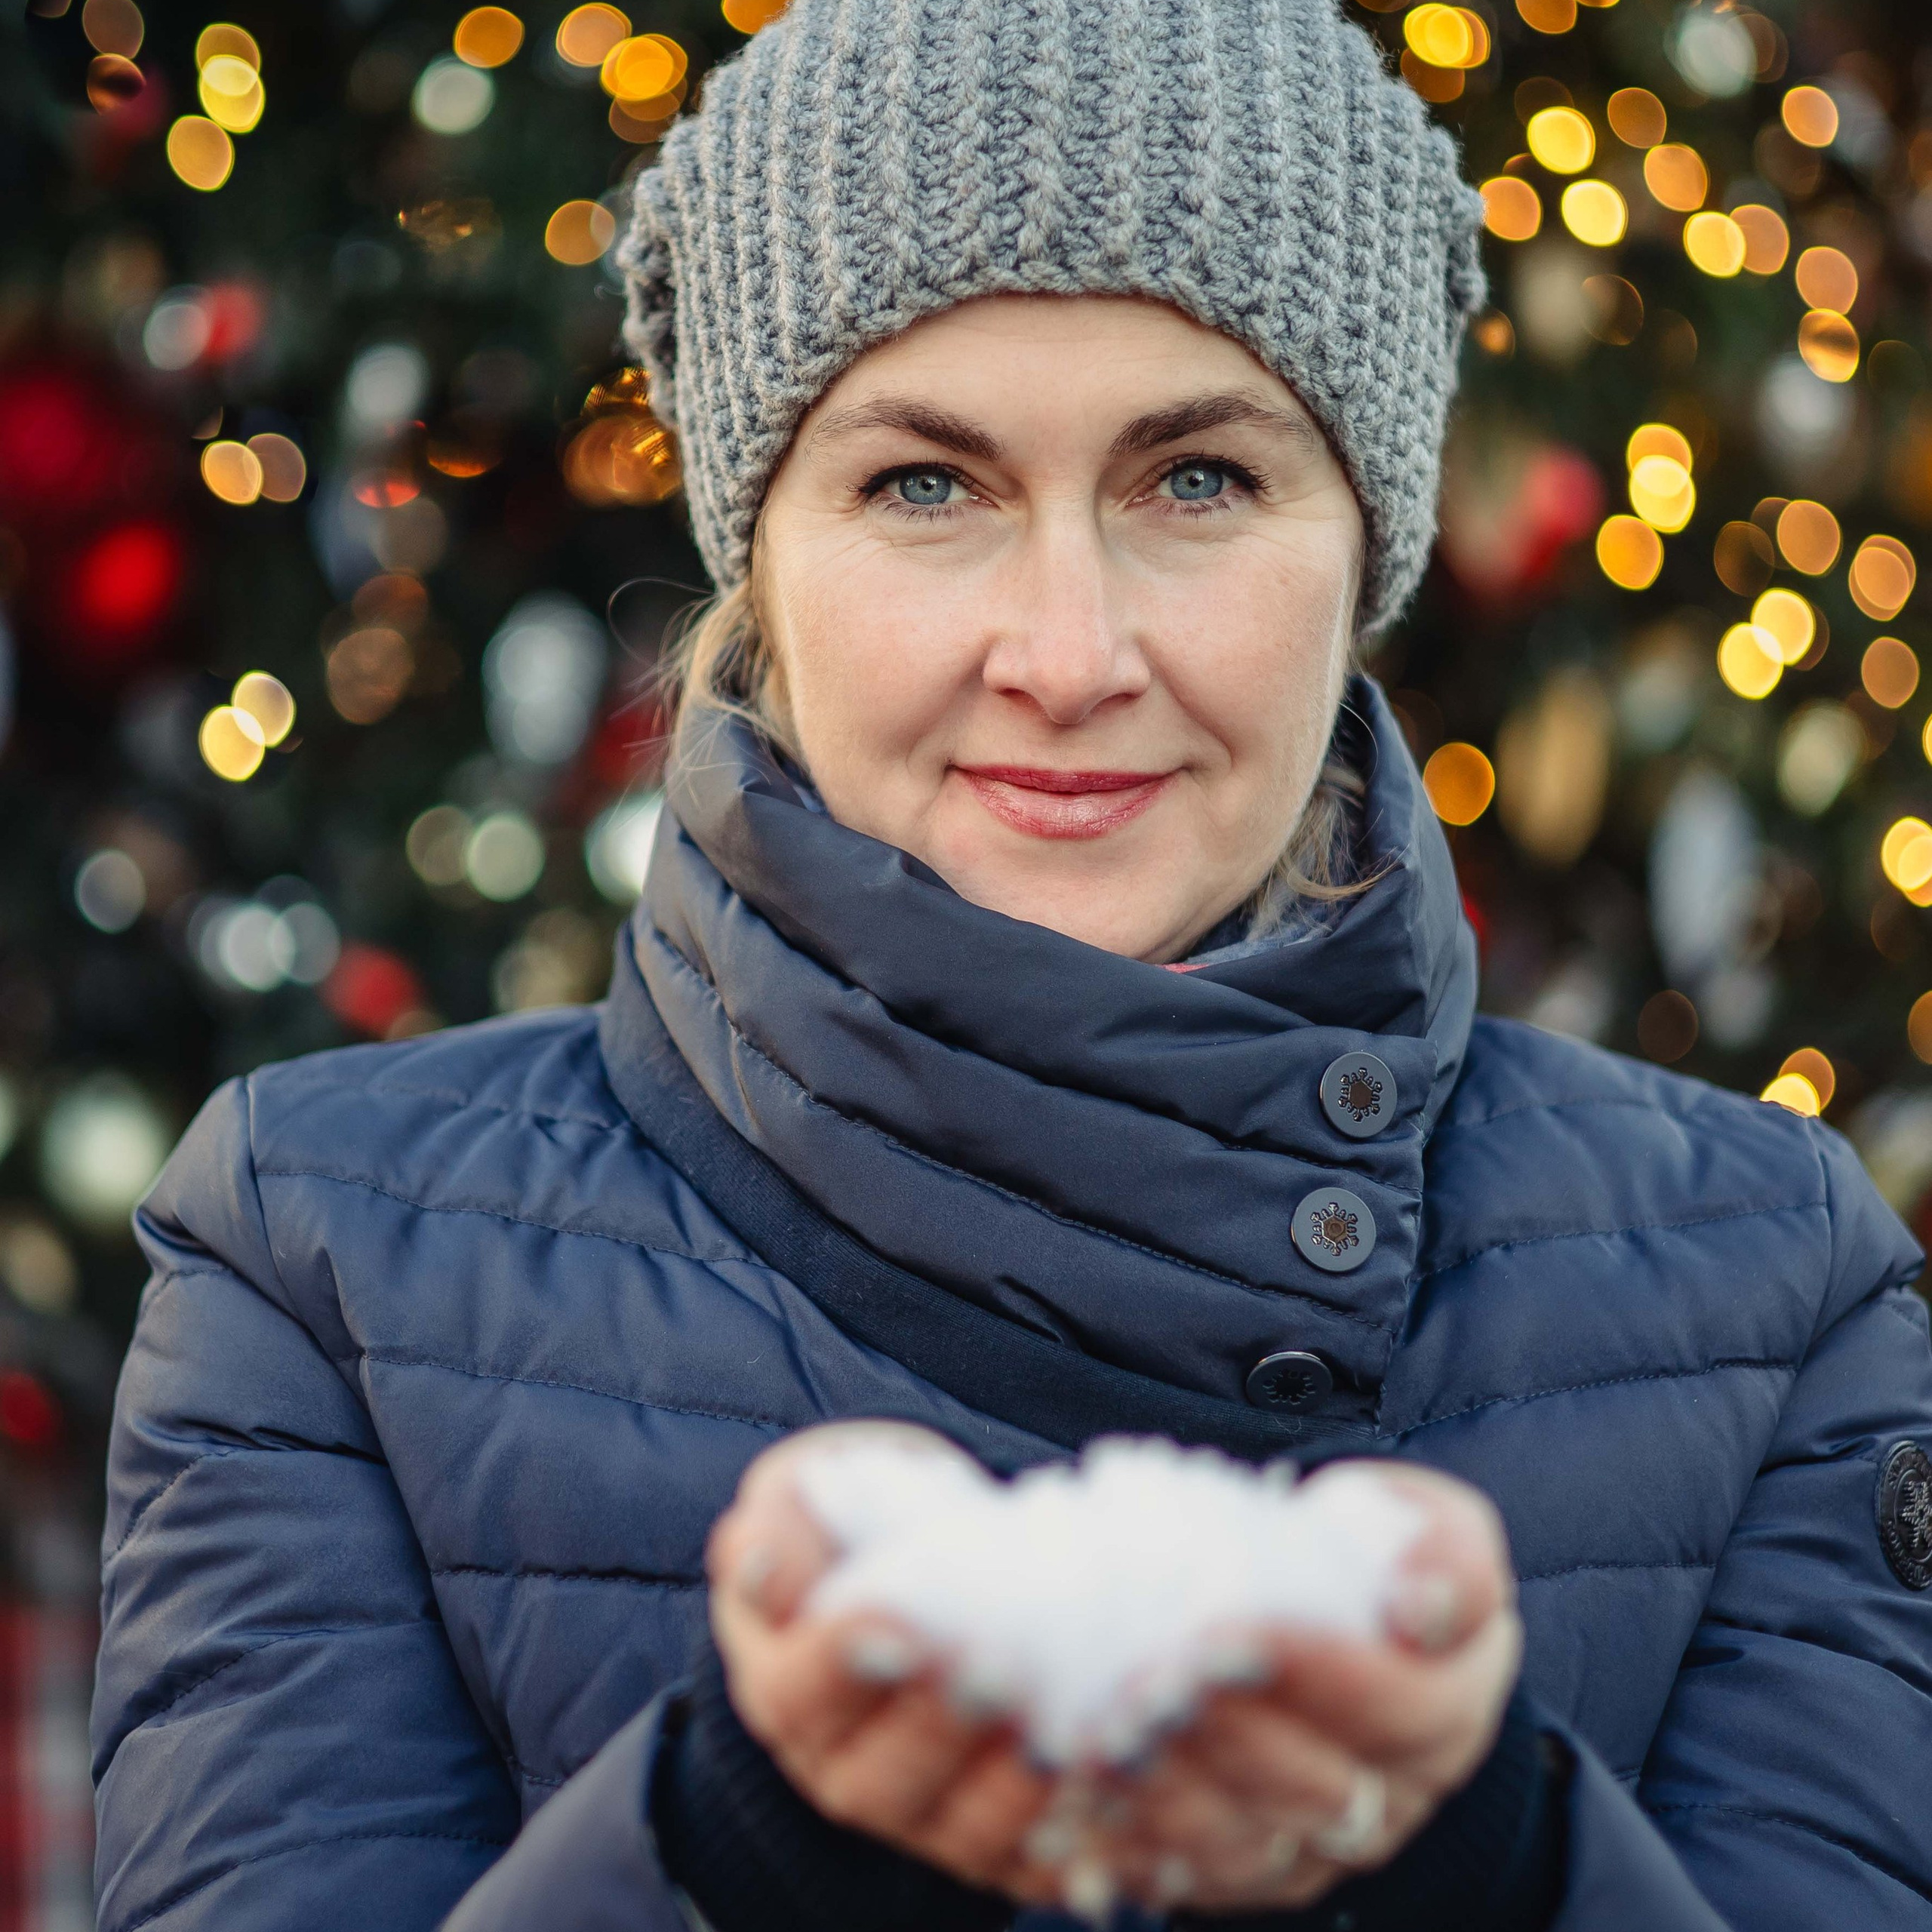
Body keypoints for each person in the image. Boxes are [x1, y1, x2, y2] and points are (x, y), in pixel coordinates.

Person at [90, 0, 1932, 1927]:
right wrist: (738, 1834)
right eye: (923, 484)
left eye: (1197, 479)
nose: (1066, 653)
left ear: (1363, 539)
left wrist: (1478, 1846)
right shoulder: (317, 1252)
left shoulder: (1774, 1280)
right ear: (761, 558)